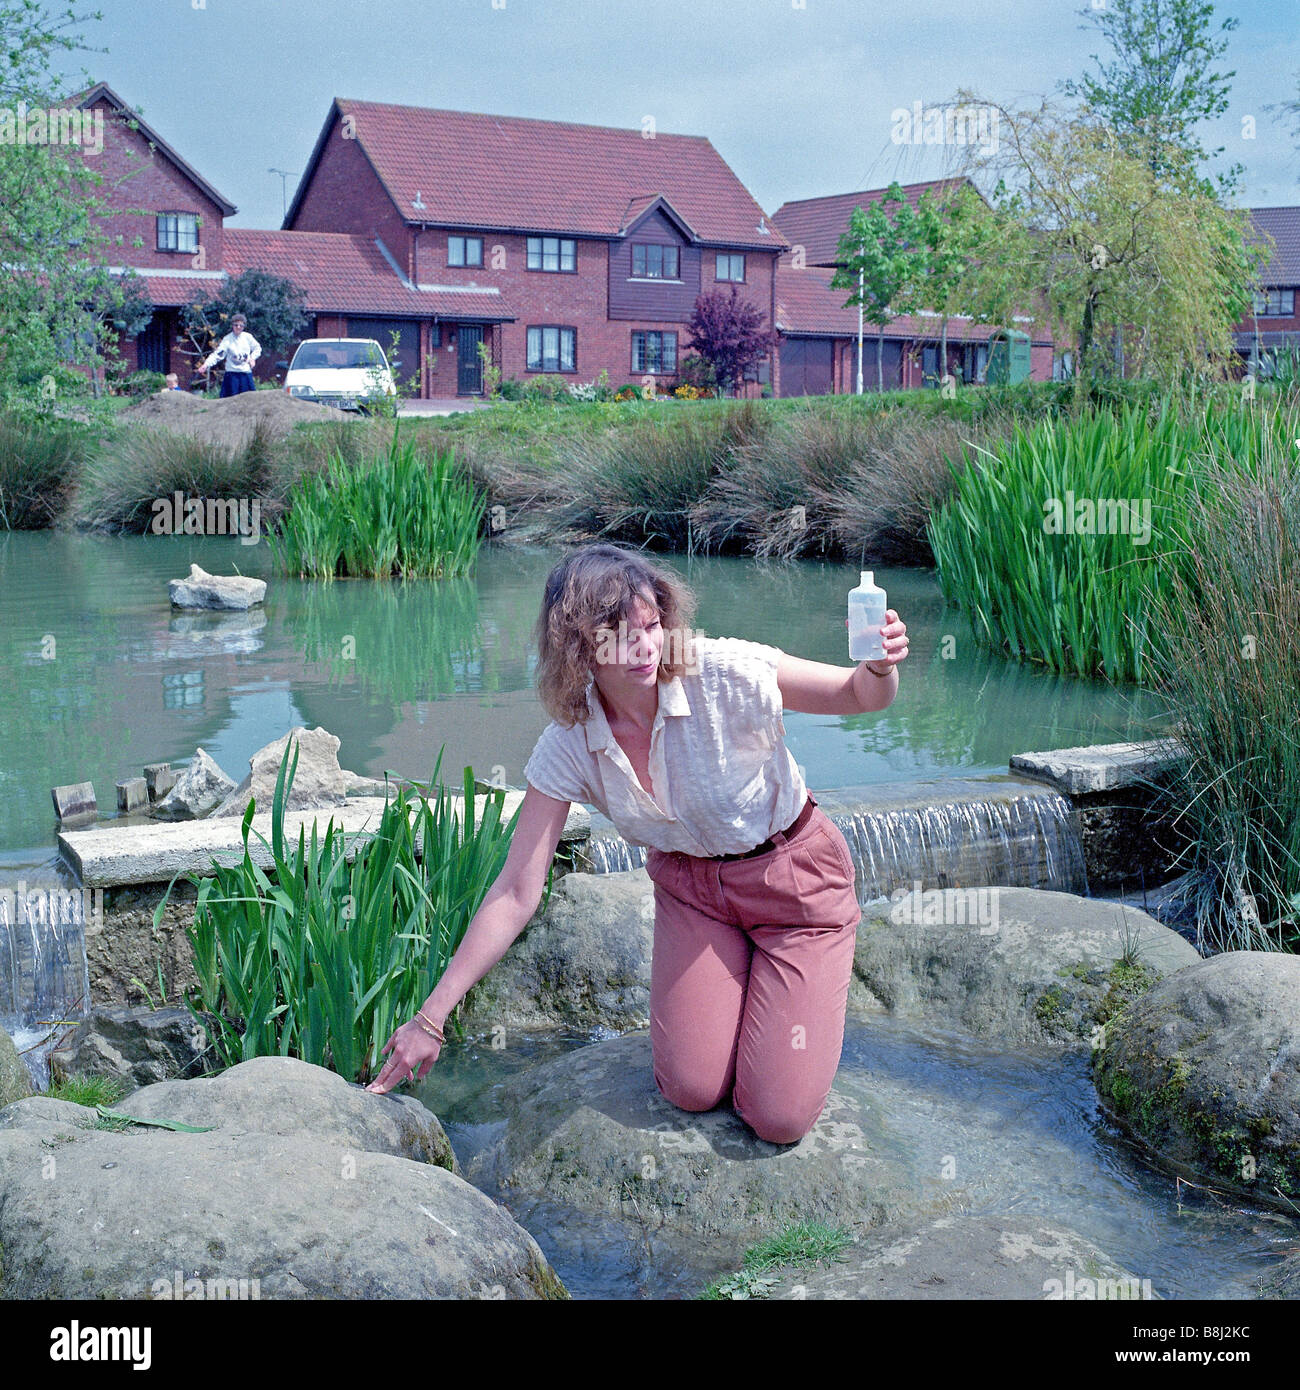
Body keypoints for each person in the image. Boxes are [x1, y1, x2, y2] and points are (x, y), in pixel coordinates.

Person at [365, 543, 909, 1145]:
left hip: (795, 888)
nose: (647, 647)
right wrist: (430, 1019)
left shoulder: (724, 672)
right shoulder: (569, 744)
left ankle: (795, 986)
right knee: (690, 1089)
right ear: (578, 648)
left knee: (777, 1118)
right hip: (695, 897)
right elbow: (517, 890)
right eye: (621, 636)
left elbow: (856, 697)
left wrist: (878, 668)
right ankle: (747, 992)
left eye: (653, 626)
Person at [200, 313, 261, 396]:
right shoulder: (227, 340)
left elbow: (258, 348)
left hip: (245, 374)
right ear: (232, 325)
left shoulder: (248, 337)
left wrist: (252, 358)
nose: (238, 327)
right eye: (236, 325)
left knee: (250, 401)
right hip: (232, 375)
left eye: (241, 325)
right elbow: (217, 355)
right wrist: (206, 364)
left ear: (244, 326)